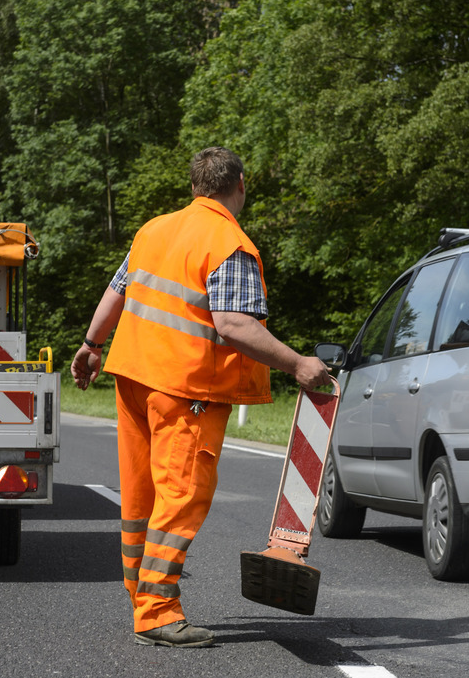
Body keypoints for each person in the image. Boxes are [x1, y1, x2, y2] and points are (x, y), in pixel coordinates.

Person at [70, 147, 330, 648]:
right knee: (182, 495)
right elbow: (233, 325)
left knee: (141, 495)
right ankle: (157, 613)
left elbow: (117, 289)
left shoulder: (155, 229)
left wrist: (90, 344)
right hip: (185, 390)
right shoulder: (230, 243)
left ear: (194, 186)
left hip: (131, 378)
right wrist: (298, 363)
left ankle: (141, 595)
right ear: (240, 186)